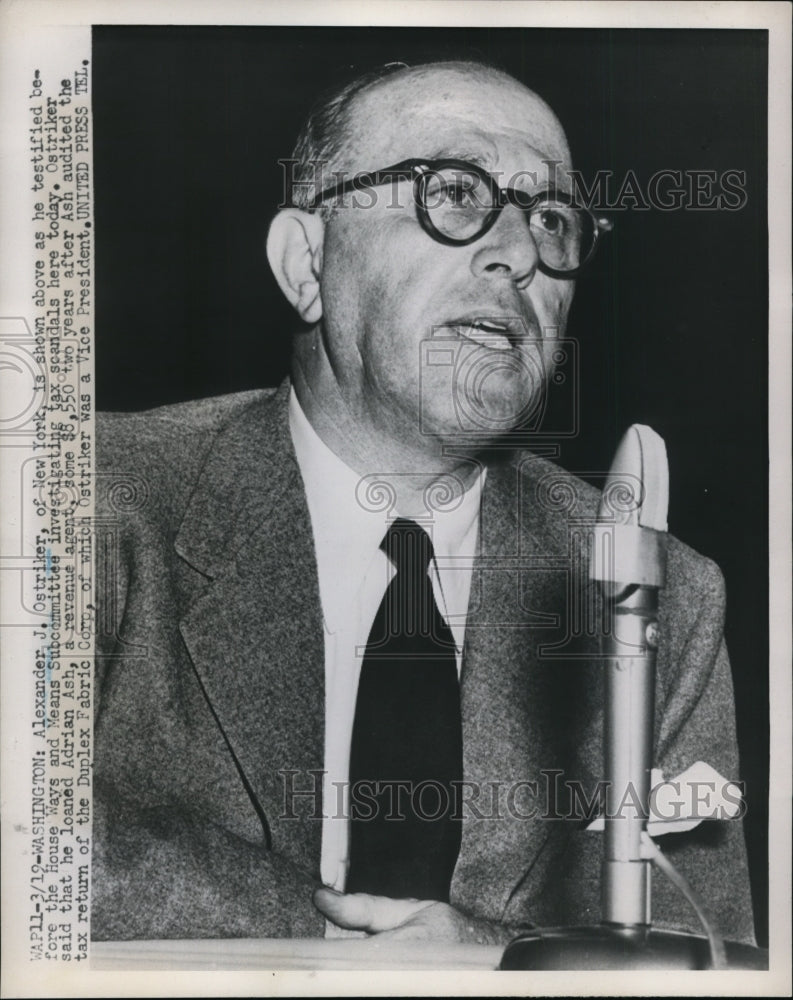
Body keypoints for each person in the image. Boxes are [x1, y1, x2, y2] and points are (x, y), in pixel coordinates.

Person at [92, 60, 755, 947]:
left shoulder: (657, 586)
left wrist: (488, 960)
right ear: (306, 263)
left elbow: (702, 959)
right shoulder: (87, 500)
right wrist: (345, 955)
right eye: (453, 192)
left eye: (551, 218)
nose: (519, 252)